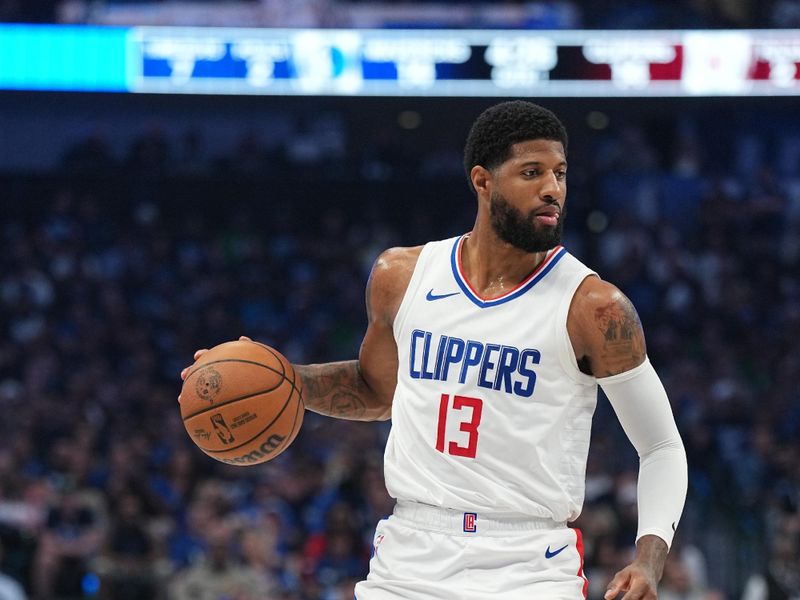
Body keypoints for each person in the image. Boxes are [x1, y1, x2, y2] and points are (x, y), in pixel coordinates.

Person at [181, 100, 688, 599]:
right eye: (531, 172)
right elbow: (377, 390)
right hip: (411, 553)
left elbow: (661, 445)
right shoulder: (401, 276)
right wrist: (282, 378)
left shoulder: (596, 308)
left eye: (559, 172)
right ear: (482, 181)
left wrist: (649, 558)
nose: (552, 189)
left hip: (528, 562)